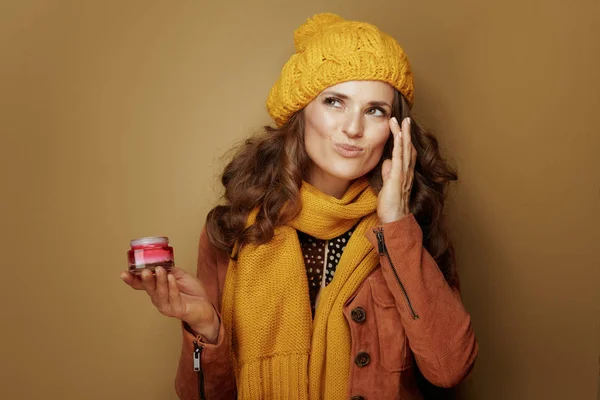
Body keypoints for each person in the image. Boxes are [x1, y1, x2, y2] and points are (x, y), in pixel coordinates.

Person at [121, 12, 478, 400]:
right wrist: (206, 329)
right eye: (335, 102)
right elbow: (201, 397)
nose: (353, 128)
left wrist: (396, 223)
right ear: (301, 111)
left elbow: (449, 369)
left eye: (375, 110)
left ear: (395, 130)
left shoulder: (411, 228)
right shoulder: (234, 229)